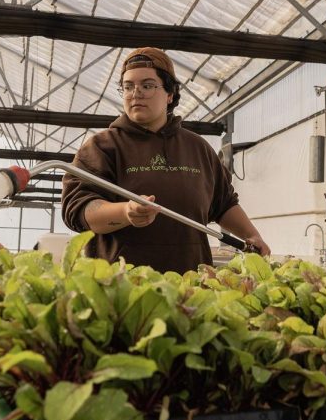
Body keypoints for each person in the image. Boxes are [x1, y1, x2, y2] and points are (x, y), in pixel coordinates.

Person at [61, 47, 270, 273]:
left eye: (147, 85)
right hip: (120, 288)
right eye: (128, 86)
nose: (135, 93)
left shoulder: (198, 148)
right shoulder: (101, 147)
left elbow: (224, 203)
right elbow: (80, 210)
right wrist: (125, 212)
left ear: (170, 94)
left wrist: (251, 235)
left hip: (191, 286)